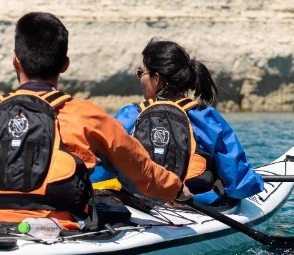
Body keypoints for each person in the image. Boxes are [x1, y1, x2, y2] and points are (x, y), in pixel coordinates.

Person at [0, 12, 183, 228]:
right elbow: (142, 171)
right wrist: (177, 189)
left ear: (15, 61)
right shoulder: (88, 116)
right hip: (58, 229)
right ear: (65, 65)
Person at [93, 39, 265, 206]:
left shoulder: (129, 116)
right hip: (196, 205)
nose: (139, 78)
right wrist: (255, 182)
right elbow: (240, 186)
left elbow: (98, 172)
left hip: (139, 204)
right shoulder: (206, 118)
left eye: (141, 73)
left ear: (156, 78)